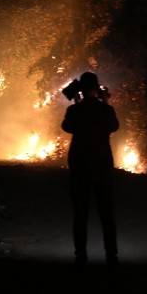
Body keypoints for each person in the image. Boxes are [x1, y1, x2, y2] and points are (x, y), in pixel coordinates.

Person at [61, 72, 119, 267]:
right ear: (96, 88)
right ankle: (111, 256)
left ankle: (80, 256)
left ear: (80, 90)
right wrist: (105, 102)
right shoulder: (105, 110)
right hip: (102, 165)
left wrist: (78, 105)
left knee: (80, 213)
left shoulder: (75, 111)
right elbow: (114, 126)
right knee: (106, 213)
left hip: (80, 166)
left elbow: (67, 127)